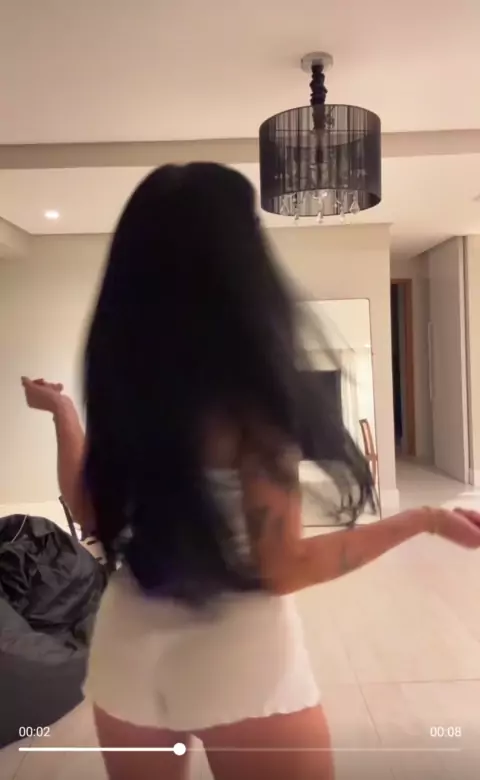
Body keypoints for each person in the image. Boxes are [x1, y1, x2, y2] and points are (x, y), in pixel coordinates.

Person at [21, 163, 480, 780]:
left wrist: (63, 415)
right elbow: (283, 567)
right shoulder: (252, 403)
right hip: (237, 657)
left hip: (127, 649)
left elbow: (90, 512)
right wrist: (421, 520)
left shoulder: (124, 383)